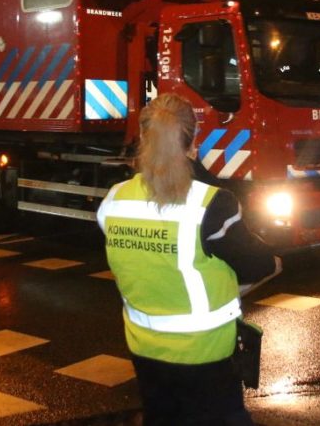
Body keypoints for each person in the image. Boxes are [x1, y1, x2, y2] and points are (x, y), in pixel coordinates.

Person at [96, 93, 281, 426]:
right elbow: (262, 264)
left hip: (145, 350)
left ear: (143, 138)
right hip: (205, 353)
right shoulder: (213, 204)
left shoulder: (114, 201)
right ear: (193, 141)